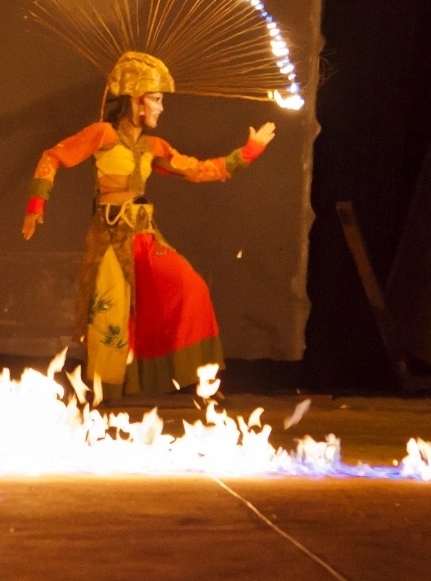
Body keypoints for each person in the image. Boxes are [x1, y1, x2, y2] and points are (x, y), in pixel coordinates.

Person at [21, 51, 274, 400]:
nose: (160, 108)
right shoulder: (103, 134)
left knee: (191, 287)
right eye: (155, 100)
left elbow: (199, 170)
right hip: (111, 239)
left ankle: (200, 379)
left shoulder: (154, 147)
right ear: (137, 101)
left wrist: (247, 153)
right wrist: (36, 206)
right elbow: (53, 155)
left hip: (145, 238)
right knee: (110, 315)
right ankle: (104, 393)